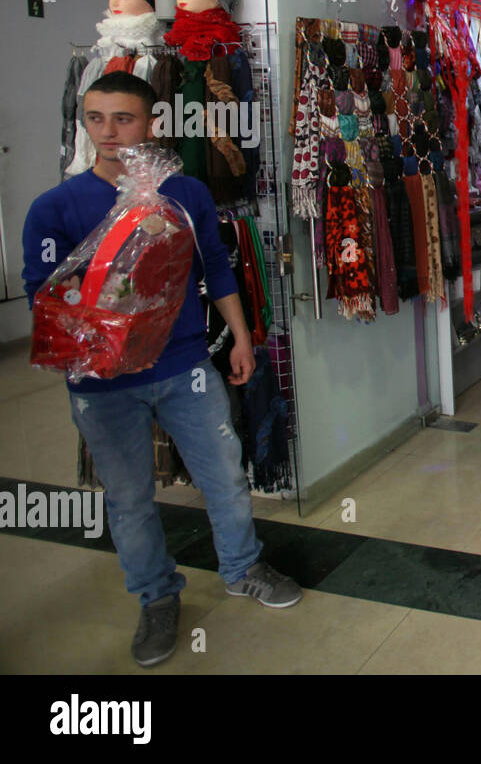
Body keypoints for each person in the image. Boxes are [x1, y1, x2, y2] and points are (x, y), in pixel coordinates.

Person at [22, 72, 302, 668]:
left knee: (225, 472)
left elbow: (216, 268)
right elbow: (43, 297)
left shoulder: (185, 194)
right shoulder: (55, 208)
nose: (107, 132)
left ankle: (242, 566)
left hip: (184, 363)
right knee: (128, 497)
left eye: (122, 119)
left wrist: (242, 339)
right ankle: (155, 597)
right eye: (95, 118)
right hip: (103, 384)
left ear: (152, 125)